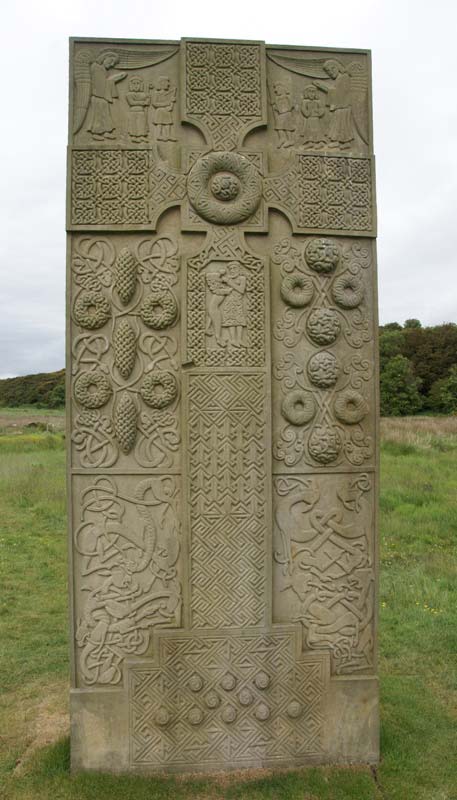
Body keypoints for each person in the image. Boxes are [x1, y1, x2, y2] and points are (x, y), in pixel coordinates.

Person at [86, 51, 126, 140]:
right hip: (98, 96)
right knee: (98, 116)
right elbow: (100, 84)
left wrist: (112, 80)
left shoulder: (102, 69)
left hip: (102, 96)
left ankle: (106, 131)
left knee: (106, 114)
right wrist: (114, 80)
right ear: (105, 57)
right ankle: (96, 133)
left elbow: (104, 82)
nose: (112, 65)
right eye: (111, 61)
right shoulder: (96, 67)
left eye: (113, 63)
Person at [314, 59, 353, 147]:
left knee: (342, 123)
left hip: (343, 106)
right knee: (338, 123)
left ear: (336, 67)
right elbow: (336, 91)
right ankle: (340, 142)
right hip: (340, 106)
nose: (330, 73)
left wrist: (324, 87)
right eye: (328, 72)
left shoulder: (344, 77)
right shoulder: (340, 78)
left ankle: (345, 142)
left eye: (331, 70)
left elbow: (340, 93)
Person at [150, 76, 177, 141]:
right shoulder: (157, 93)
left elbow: (170, 102)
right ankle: (159, 135)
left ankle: (168, 135)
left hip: (166, 111)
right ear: (162, 83)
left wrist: (172, 101)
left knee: (168, 123)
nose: (168, 84)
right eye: (167, 82)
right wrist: (166, 104)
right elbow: (154, 103)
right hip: (159, 111)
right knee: (160, 123)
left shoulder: (168, 94)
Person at [270, 82, 296, 148]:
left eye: (277, 89)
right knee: (279, 127)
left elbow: (292, 105)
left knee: (287, 127)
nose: (276, 91)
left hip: (287, 114)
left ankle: (290, 140)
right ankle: (282, 138)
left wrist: (285, 109)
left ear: (282, 89)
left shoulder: (287, 97)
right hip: (280, 114)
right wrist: (274, 106)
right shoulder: (276, 98)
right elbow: (277, 106)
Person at [125, 77, 150, 143]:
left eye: (138, 83)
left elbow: (147, 101)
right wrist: (143, 102)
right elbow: (131, 103)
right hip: (133, 111)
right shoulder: (129, 94)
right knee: (133, 124)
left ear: (141, 85)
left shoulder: (143, 94)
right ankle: (133, 137)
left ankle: (141, 136)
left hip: (141, 111)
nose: (136, 85)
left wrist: (147, 99)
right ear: (131, 85)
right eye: (134, 84)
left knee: (141, 124)